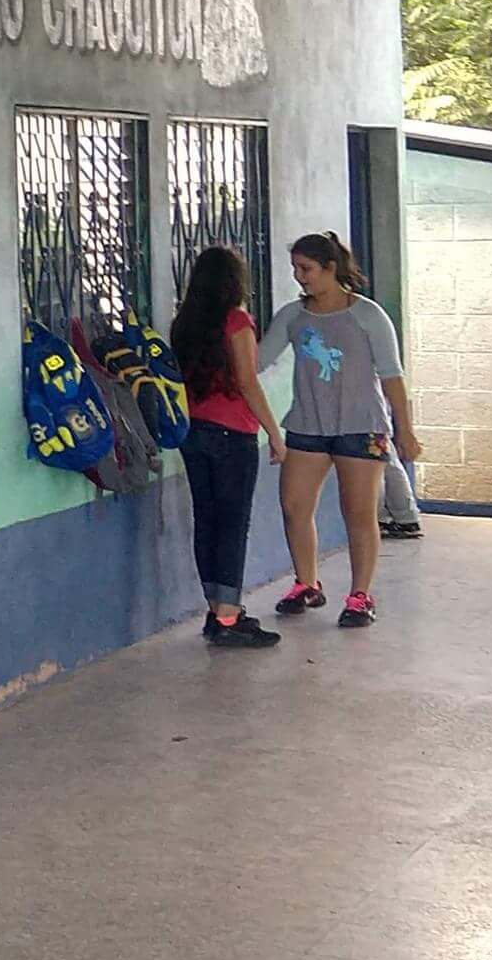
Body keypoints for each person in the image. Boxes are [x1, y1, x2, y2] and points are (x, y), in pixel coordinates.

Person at [260, 231, 422, 628]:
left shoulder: (366, 315)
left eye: (307, 269)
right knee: (295, 506)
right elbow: (259, 360)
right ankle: (306, 583)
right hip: (307, 426)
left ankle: (360, 595)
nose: (300, 277)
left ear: (331, 269)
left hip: (361, 427)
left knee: (359, 512)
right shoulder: (292, 316)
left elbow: (392, 377)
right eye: (296, 269)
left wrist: (405, 430)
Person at [168, 245, 283, 648]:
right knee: (233, 525)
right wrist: (274, 431)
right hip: (233, 434)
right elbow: (247, 381)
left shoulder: (183, 325)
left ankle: (216, 611)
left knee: (208, 521)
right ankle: (230, 618)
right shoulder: (237, 321)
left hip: (193, 432)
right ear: (235, 283)